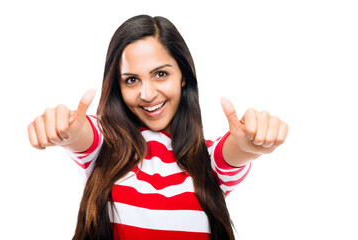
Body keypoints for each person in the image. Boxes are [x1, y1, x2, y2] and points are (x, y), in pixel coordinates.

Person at [27, 15, 288, 240]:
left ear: (183, 76)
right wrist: (68, 132)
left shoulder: (208, 159)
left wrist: (249, 145)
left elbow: (233, 151)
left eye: (161, 74)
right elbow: (83, 135)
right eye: (131, 80)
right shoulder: (105, 147)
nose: (148, 94)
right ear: (118, 87)